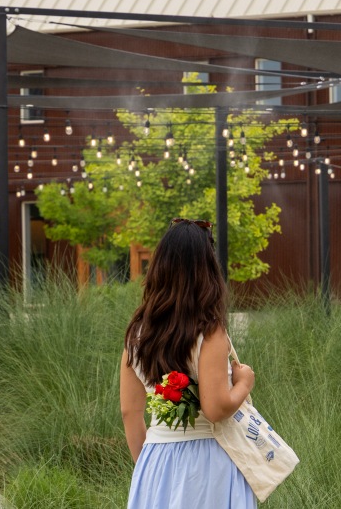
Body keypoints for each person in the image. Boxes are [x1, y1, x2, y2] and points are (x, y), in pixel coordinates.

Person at [120, 218, 258, 508]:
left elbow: (130, 412)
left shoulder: (137, 332)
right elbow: (216, 407)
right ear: (207, 270)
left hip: (156, 459)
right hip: (208, 463)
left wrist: (147, 466)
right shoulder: (209, 332)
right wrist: (244, 383)